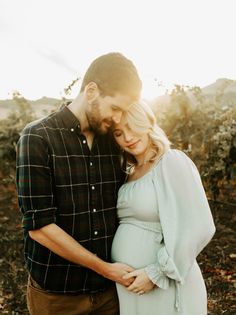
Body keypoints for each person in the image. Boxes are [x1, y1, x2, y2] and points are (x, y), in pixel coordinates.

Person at [16, 52, 142, 315]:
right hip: (58, 296)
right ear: (92, 90)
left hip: (111, 293)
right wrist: (105, 268)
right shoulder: (38, 137)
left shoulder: (113, 140)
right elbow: (40, 227)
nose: (118, 119)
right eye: (115, 108)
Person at [111, 100, 216, 315]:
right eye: (119, 133)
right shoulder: (129, 172)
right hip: (131, 286)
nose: (128, 138)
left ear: (148, 123)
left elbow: (200, 226)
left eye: (132, 127)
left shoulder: (171, 161)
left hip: (164, 283)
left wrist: (155, 274)